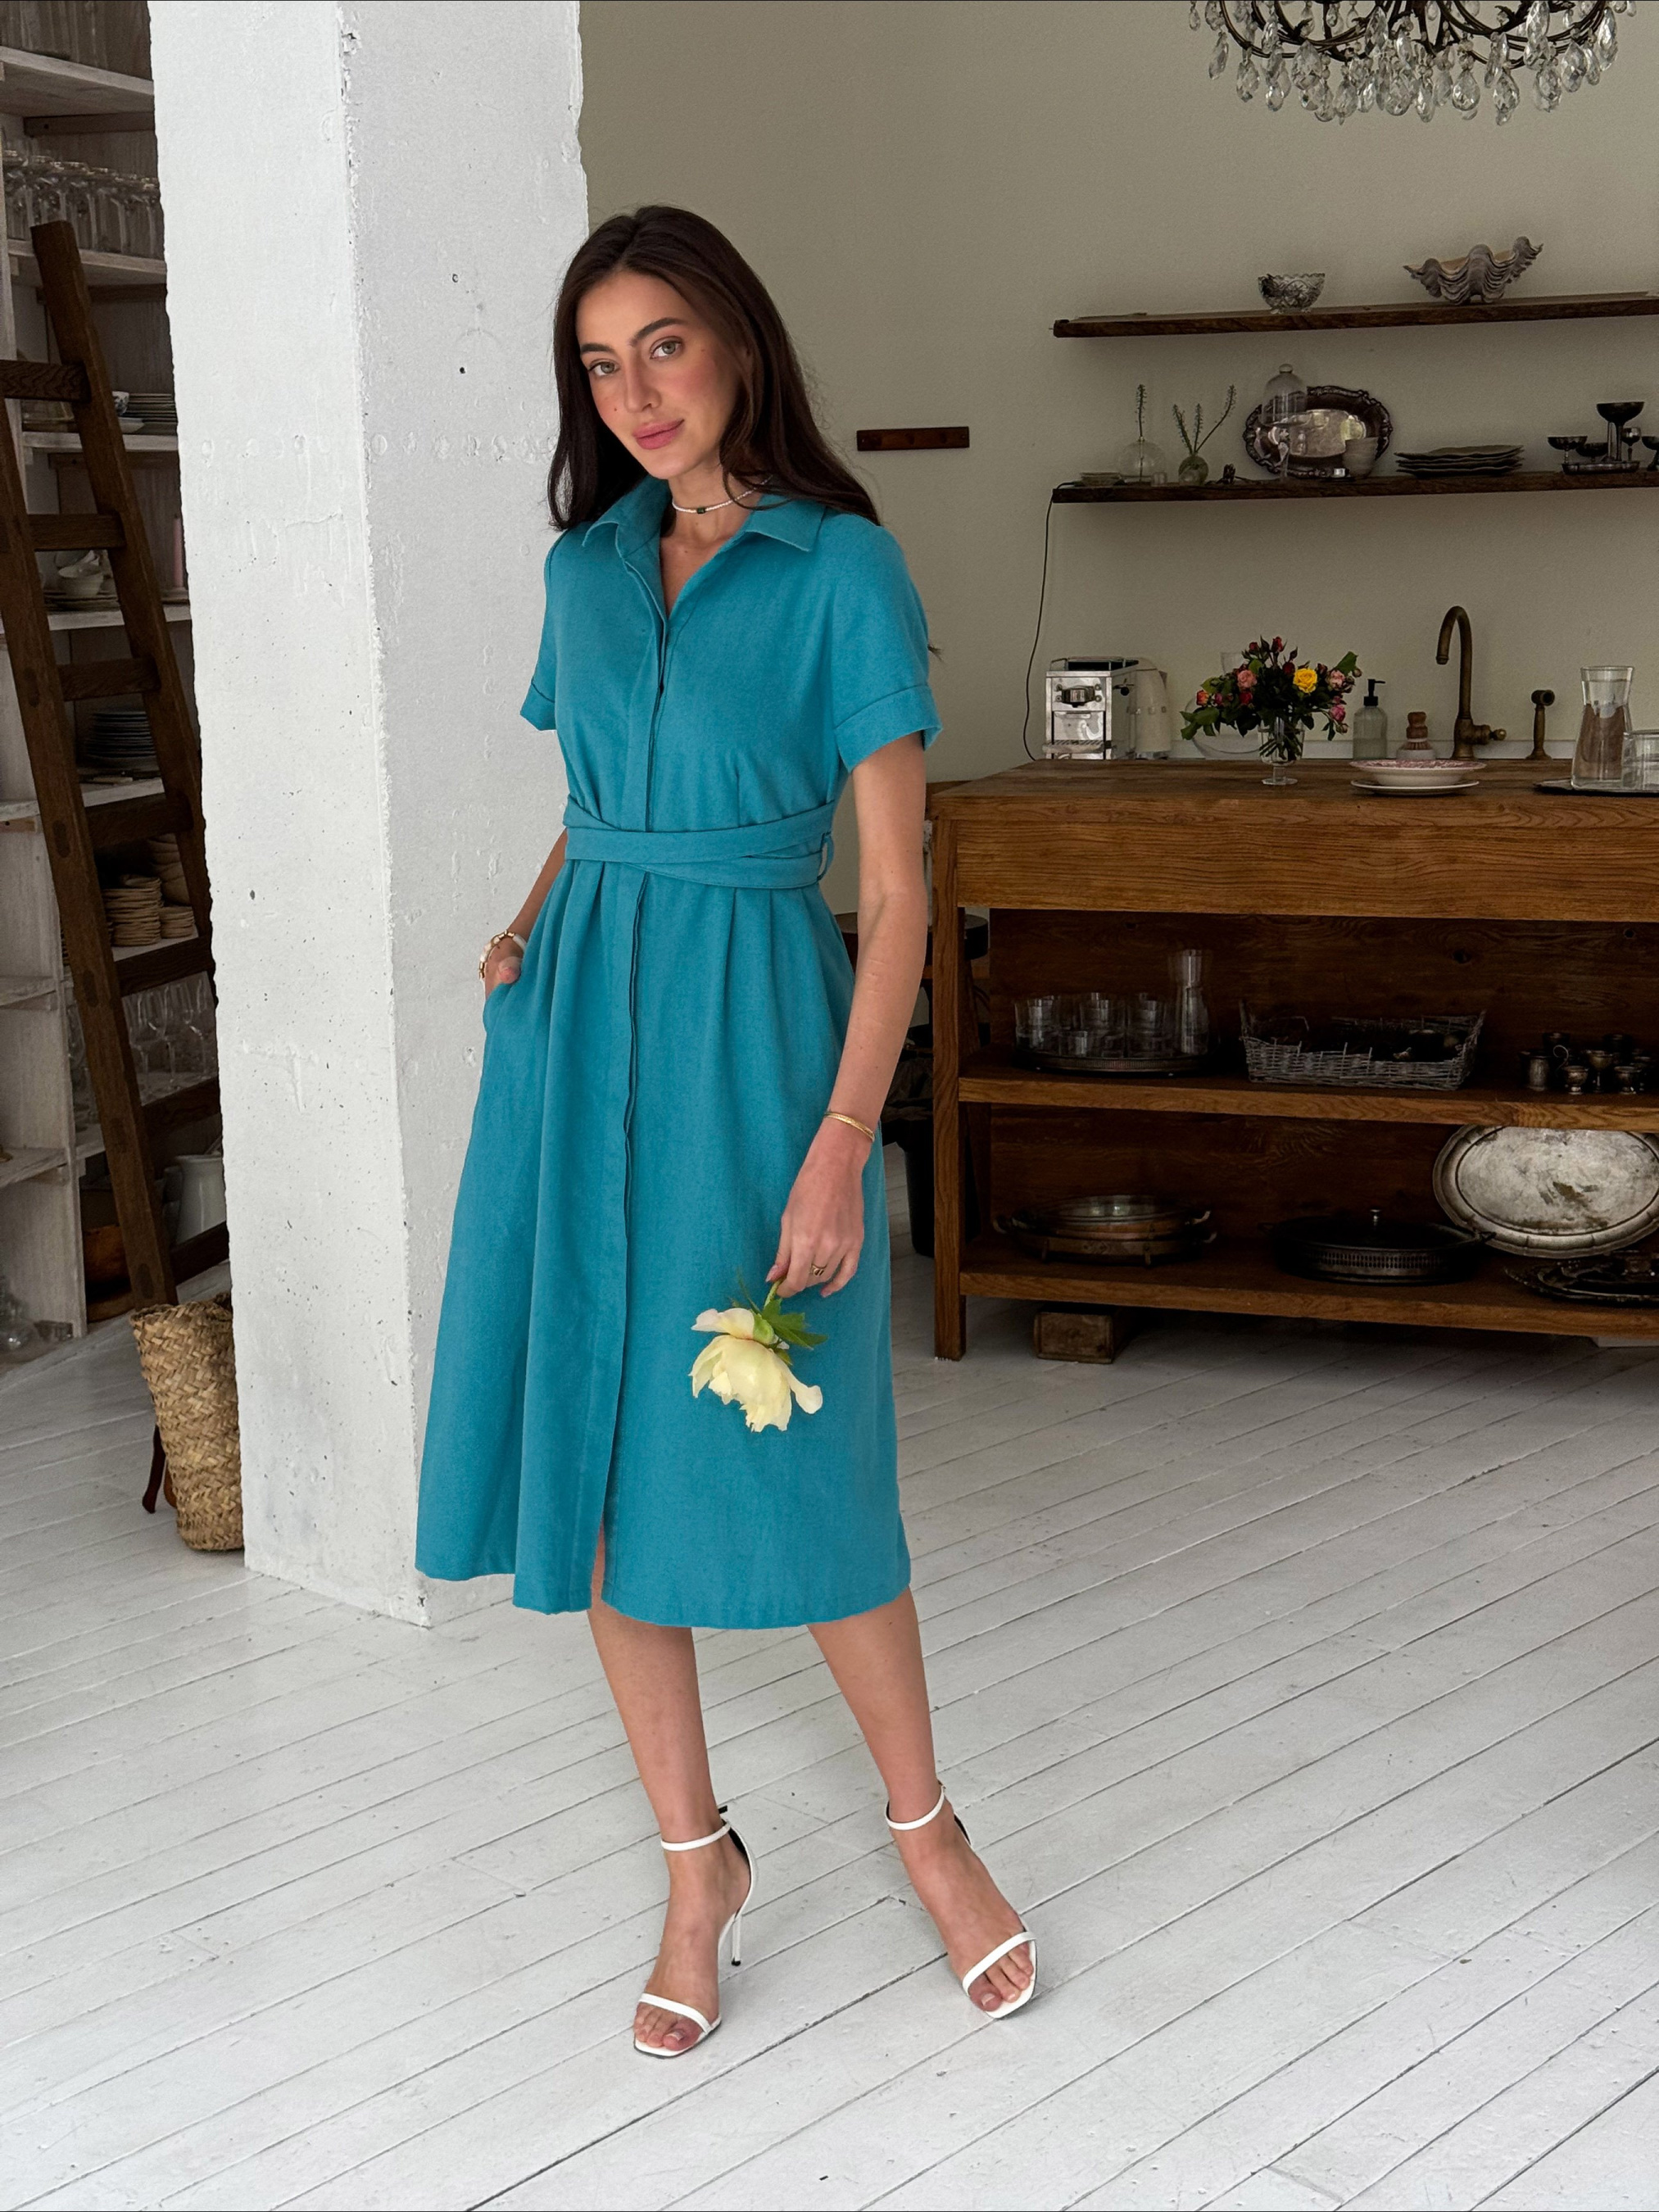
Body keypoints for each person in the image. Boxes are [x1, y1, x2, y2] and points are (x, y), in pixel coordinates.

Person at [415, 206, 1035, 2056]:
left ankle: (928, 1835)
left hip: (757, 1041)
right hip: (575, 1035)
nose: (635, 394)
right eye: (600, 365)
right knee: (607, 1458)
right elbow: (597, 794)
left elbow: (898, 892)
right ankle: (698, 1870)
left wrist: (847, 1138)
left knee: (807, 1457)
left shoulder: (842, 568)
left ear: (739, 345)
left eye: (663, 347)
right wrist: (528, 919)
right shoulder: (584, 569)